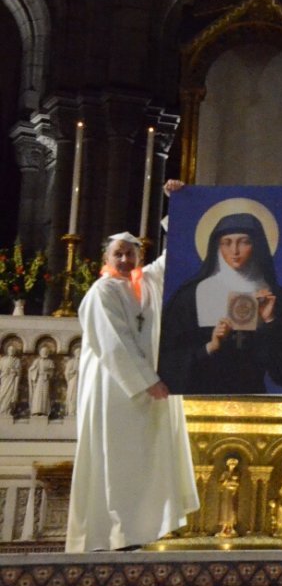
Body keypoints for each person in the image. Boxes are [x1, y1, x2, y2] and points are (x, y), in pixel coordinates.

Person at [66, 223, 200, 552]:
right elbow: (115, 344)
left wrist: (177, 207)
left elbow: (176, 255)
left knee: (142, 461)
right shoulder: (102, 292)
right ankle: (109, 534)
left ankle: (134, 533)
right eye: (118, 254)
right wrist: (147, 380)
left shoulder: (147, 283)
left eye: (131, 253)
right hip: (114, 390)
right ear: (106, 258)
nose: (125, 259)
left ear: (140, 257)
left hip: (147, 390)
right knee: (115, 459)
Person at [160, 210, 282, 394]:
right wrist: (209, 347)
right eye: (227, 243)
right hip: (200, 395)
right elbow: (168, 358)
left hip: (252, 397)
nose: (235, 251)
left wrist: (271, 321)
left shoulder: (272, 295)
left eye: (244, 242)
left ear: (257, 246)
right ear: (217, 246)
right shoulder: (192, 295)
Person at [28, 341, 55, 416]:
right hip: (38, 379)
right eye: (43, 351)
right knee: (37, 395)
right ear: (40, 352)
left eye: (46, 351)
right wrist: (34, 371)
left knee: (45, 395)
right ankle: (36, 411)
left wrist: (48, 374)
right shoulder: (37, 361)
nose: (45, 353)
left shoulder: (50, 362)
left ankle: (44, 411)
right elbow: (31, 370)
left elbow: (52, 372)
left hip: (46, 380)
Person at [0, 339, 21, 417]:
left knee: (9, 396)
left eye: (13, 350)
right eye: (10, 350)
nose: (11, 351)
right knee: (2, 394)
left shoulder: (17, 360)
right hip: (4, 380)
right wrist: (4, 373)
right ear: (7, 350)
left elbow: (18, 373)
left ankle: (7, 411)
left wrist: (14, 371)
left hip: (12, 380)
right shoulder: (2, 360)